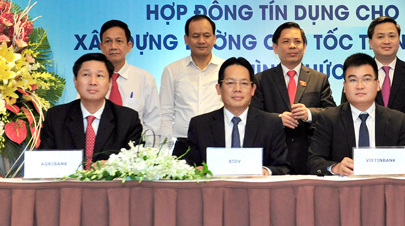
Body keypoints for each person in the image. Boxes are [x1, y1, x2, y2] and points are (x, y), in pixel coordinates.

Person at [308, 53, 405, 175]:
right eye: (353, 80)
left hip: (384, 185)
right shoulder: (329, 119)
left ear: (377, 85)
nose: (360, 86)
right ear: (345, 87)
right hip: (345, 186)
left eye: (366, 79)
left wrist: (384, 167)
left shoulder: (398, 120)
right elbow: (314, 162)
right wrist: (335, 168)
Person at [252, 22, 335, 174]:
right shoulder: (261, 79)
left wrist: (309, 114)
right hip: (274, 158)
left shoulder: (319, 79)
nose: (292, 46)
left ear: (304, 47)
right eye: (286, 41)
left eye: (297, 41)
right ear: (275, 48)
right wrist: (277, 119)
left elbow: (332, 114)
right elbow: (253, 116)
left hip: (309, 157)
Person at [186, 57, 291, 175]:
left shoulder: (271, 124)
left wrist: (266, 171)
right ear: (219, 88)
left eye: (244, 83)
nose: (237, 89)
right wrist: (195, 171)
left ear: (253, 89)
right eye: (230, 83)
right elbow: (188, 166)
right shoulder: (199, 125)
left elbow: (283, 167)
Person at [40, 53, 142, 167]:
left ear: (110, 82)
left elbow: (136, 162)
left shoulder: (127, 119)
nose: (93, 82)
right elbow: (44, 162)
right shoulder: (56, 117)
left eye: (99, 75)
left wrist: (113, 165)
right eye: (86, 74)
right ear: (75, 81)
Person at [362, 16, 405, 173]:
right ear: (370, 43)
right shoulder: (359, 74)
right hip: (366, 154)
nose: (386, 41)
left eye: (392, 36)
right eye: (380, 37)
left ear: (399, 40)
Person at [160, 15, 223, 157]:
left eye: (206, 35)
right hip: (184, 146)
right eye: (195, 36)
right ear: (186, 39)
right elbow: (165, 113)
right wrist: (163, 151)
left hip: (219, 144)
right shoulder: (172, 70)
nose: (201, 41)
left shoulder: (226, 69)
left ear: (214, 38)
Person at [99, 20, 161, 144]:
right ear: (101, 46)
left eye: (119, 41)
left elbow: (153, 123)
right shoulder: (91, 79)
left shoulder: (145, 79)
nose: (113, 46)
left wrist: (148, 153)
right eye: (108, 41)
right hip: (98, 149)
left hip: (134, 150)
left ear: (129, 46)